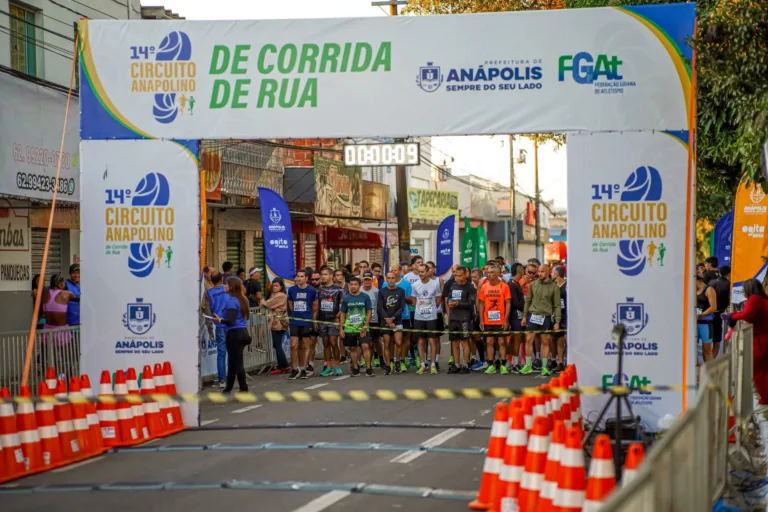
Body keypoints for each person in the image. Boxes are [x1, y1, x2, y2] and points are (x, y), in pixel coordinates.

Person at [728, 279, 768, 404]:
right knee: (764, 370)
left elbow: (747, 314)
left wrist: (731, 316)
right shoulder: (763, 299)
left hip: (761, 340)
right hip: (764, 338)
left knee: (758, 372)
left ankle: (765, 398)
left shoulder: (754, 298)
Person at [521, 264, 561, 376]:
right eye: (538, 271)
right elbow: (527, 301)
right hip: (533, 316)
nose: (539, 274)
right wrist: (524, 316)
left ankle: (544, 367)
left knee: (545, 342)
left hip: (546, 317)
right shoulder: (533, 285)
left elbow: (557, 306)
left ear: (548, 272)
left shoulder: (554, 287)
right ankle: (528, 365)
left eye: (542, 271)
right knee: (528, 340)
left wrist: (557, 321)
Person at [213, 277, 251, 393]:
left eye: (226, 285)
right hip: (243, 332)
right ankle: (228, 387)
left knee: (237, 362)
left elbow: (231, 321)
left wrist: (219, 320)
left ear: (231, 287)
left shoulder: (232, 302)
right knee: (232, 361)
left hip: (235, 334)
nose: (225, 286)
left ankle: (243, 388)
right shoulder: (243, 299)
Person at [477, 264, 512, 374]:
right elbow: (481, 304)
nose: (489, 274)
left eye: (492, 272)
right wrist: (481, 320)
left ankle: (503, 364)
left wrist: (506, 319)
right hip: (488, 320)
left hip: (500, 319)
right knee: (489, 341)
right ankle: (491, 364)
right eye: (488, 272)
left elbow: (508, 303)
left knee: (501, 341)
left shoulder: (504, 286)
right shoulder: (484, 287)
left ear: (497, 274)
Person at [287, 270, 318, 380]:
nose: (299, 278)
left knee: (305, 346)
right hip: (295, 322)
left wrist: (310, 318)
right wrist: (296, 314)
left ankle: (304, 369)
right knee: (293, 345)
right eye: (298, 276)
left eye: (301, 276)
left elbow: (315, 306)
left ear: (306, 278)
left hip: (306, 322)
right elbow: (290, 303)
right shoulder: (291, 290)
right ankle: (295, 369)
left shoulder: (312, 290)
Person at [339, 276, 374, 377]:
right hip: (349, 327)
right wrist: (341, 328)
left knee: (365, 346)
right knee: (353, 348)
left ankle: (368, 368)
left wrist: (365, 326)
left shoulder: (365, 297)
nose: (353, 286)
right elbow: (343, 313)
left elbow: (369, 312)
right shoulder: (346, 298)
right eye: (351, 285)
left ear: (359, 286)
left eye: (355, 284)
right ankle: (355, 368)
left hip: (362, 327)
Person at [412, 263, 442, 375]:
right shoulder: (415, 285)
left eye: (422, 272)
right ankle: (423, 365)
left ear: (427, 271)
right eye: (419, 272)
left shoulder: (435, 284)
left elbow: (438, 299)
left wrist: (431, 309)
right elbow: (414, 301)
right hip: (419, 317)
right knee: (420, 341)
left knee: (432, 340)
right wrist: (421, 308)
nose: (420, 274)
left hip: (432, 317)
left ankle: (433, 364)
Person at [446, 266, 476, 374]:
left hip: (464, 319)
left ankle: (466, 364)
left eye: (460, 275)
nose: (458, 278)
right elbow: (449, 298)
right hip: (453, 318)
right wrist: (449, 303)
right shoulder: (453, 285)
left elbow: (471, 303)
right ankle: (456, 364)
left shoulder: (470, 288)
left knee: (464, 342)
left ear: (465, 275)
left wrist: (458, 303)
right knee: (454, 342)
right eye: (456, 275)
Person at [317, 266, 344, 376]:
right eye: (322, 274)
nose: (323, 276)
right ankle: (328, 366)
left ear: (331, 276)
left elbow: (342, 307)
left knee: (333, 342)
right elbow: (316, 305)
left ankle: (337, 366)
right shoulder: (319, 290)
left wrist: (338, 318)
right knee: (325, 344)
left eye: (325, 274)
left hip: (333, 320)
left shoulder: (339, 290)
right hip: (322, 320)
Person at [378, 270, 406, 376]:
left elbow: (401, 307)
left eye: (392, 278)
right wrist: (388, 320)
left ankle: (397, 361)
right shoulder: (382, 291)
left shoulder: (401, 291)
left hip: (397, 320)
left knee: (399, 342)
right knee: (387, 343)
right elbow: (380, 307)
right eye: (388, 278)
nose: (390, 280)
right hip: (385, 320)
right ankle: (388, 365)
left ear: (396, 278)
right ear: (386, 278)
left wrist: (393, 318)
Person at [260, 278, 290, 374]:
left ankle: (282, 366)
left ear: (281, 287)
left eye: (277, 286)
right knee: (276, 345)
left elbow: (267, 304)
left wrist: (262, 301)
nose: (274, 288)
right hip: (275, 322)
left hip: (278, 323)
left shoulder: (280, 295)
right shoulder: (275, 295)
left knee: (277, 345)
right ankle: (284, 365)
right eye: (273, 286)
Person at [206, 272, 229, 388]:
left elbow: (207, 311)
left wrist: (210, 330)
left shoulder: (209, 293)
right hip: (231, 324)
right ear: (222, 278)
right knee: (233, 351)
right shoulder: (228, 288)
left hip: (219, 325)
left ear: (211, 280)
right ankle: (234, 377)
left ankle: (222, 380)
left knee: (221, 353)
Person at [391, 263, 415, 371]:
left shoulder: (406, 284)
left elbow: (411, 300)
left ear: (400, 272)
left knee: (405, 339)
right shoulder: (385, 284)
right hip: (390, 317)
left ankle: (403, 359)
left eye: (395, 270)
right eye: (392, 270)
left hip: (404, 315)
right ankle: (392, 361)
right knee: (392, 340)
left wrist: (401, 297)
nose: (393, 272)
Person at [507, 263, 526, 373]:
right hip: (515, 316)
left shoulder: (516, 283)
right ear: (519, 271)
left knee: (517, 339)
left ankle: (513, 362)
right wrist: (525, 308)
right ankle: (514, 363)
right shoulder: (512, 284)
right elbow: (515, 302)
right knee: (516, 339)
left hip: (518, 315)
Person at [361, 271, 382, 368]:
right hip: (362, 320)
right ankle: (367, 360)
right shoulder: (359, 290)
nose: (367, 282)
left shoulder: (376, 291)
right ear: (363, 280)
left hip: (374, 319)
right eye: (365, 280)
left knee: (376, 340)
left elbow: (379, 305)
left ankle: (381, 358)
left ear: (372, 280)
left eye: (369, 280)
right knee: (366, 342)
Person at [696, 274, 718, 362]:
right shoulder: (693, 290)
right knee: (692, 349)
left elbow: (713, 307)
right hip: (695, 323)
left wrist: (701, 315)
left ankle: (709, 372)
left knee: (707, 350)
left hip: (705, 323)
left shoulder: (709, 289)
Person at [710, 265, 731, 357]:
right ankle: (712, 363)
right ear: (729, 273)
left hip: (708, 314)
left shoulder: (711, 282)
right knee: (717, 342)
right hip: (720, 314)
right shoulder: (729, 284)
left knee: (706, 342)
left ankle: (708, 362)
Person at [552, 265, 567, 372]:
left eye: (552, 273)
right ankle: (560, 362)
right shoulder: (553, 286)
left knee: (567, 340)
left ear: (557, 274)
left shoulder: (567, 285)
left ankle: (569, 361)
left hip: (567, 315)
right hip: (557, 316)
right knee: (559, 340)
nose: (551, 275)